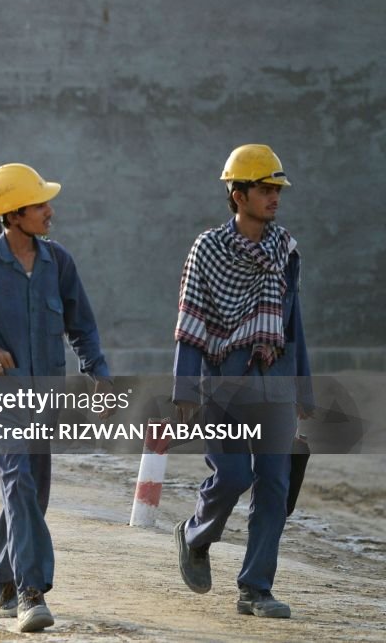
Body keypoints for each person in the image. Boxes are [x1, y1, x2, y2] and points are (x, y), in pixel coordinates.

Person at [0, 163, 111, 632]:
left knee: (35, 493)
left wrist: (98, 372)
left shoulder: (59, 263)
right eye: (40, 204)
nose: (49, 211)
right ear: (12, 214)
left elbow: (82, 325)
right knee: (20, 486)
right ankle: (32, 591)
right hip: (4, 398)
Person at [172, 144, 313, 619]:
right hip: (222, 380)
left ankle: (256, 587)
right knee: (232, 476)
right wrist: (185, 391)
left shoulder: (285, 250)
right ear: (238, 194)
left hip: (273, 379)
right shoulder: (207, 250)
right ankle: (194, 535)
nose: (274, 198)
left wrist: (302, 390)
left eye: (277, 189)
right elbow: (191, 324)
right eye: (265, 189)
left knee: (273, 484)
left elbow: (293, 324)